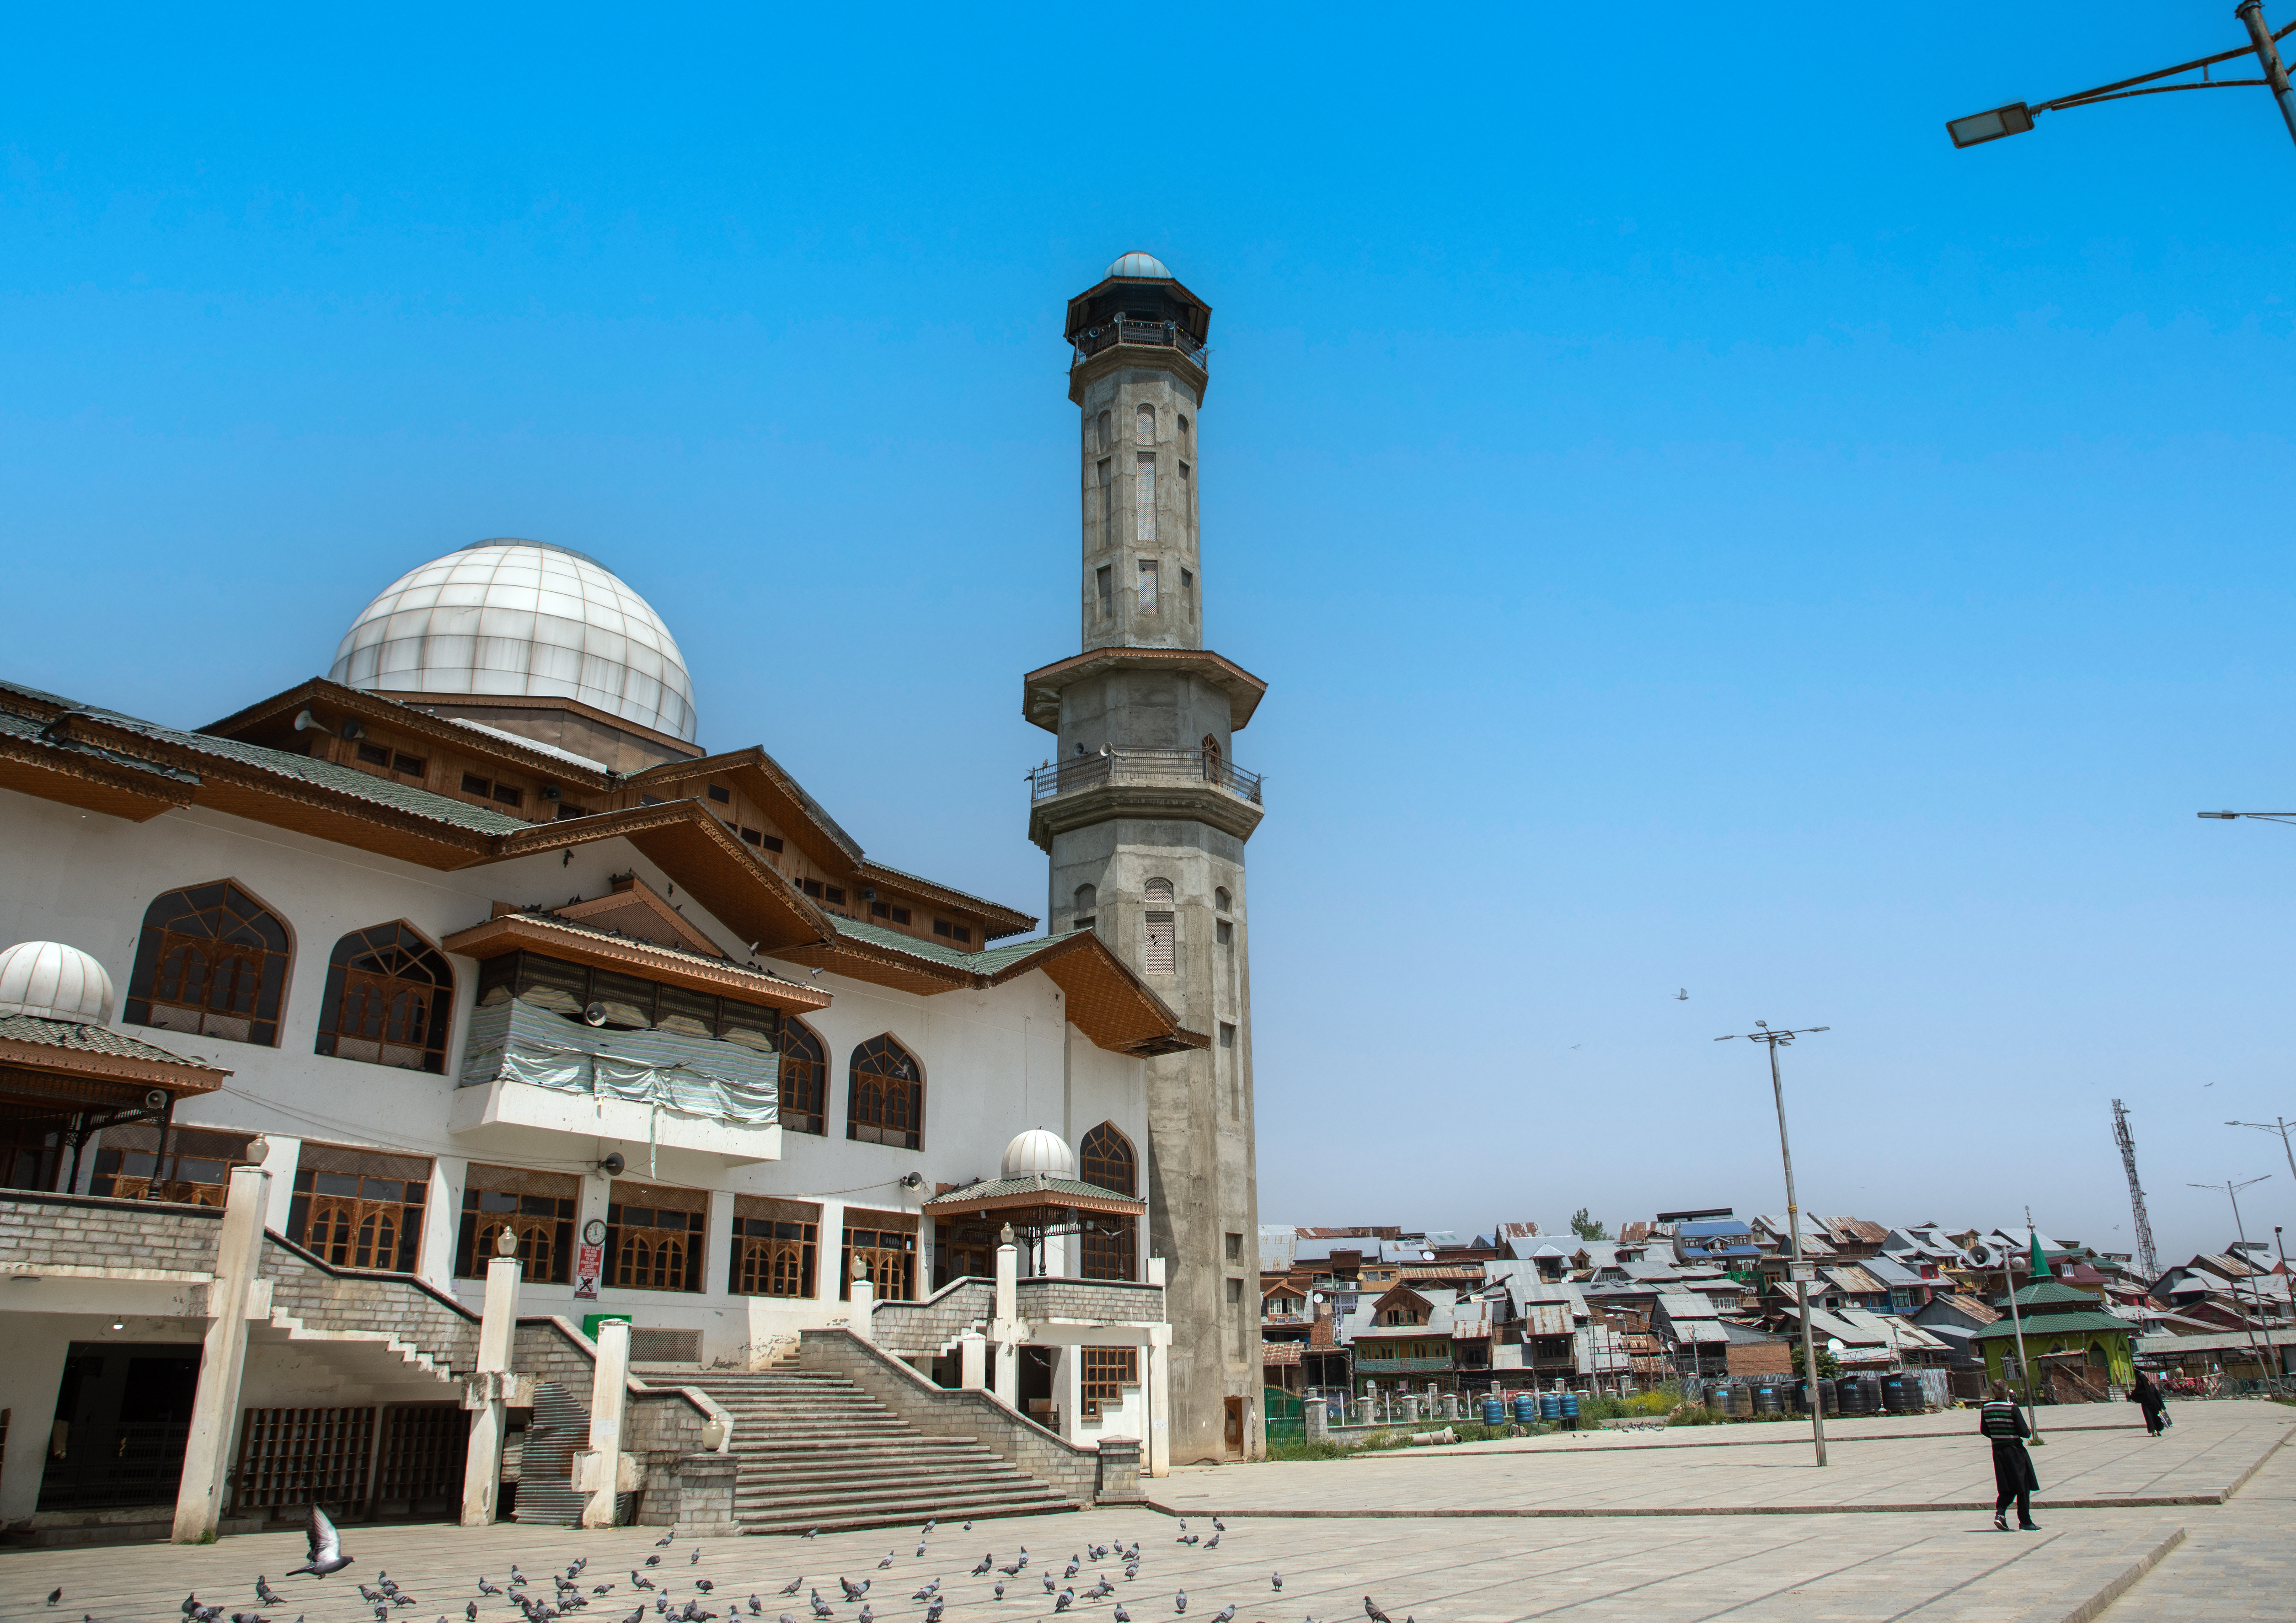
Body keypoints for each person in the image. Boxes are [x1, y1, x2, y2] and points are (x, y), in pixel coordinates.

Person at [1980, 1378, 2040, 1531]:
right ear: (2007, 1391)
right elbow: (2024, 1432)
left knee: (2007, 1485)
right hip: (2015, 1451)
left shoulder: (1986, 1408)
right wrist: (2029, 1432)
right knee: (2023, 1486)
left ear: (1993, 1391)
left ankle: (2001, 1514)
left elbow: (1984, 1431)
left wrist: (1998, 1436)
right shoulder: (2012, 1408)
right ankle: (2025, 1521)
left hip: (1998, 1451)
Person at [2129, 1370, 2167, 1437]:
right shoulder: (2141, 1388)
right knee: (2150, 1418)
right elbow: (2135, 1395)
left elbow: (2158, 1396)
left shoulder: (2150, 1386)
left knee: (2157, 1418)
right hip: (2148, 1405)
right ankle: (2154, 1431)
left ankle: (2158, 1431)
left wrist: (2162, 1406)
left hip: (2155, 1405)